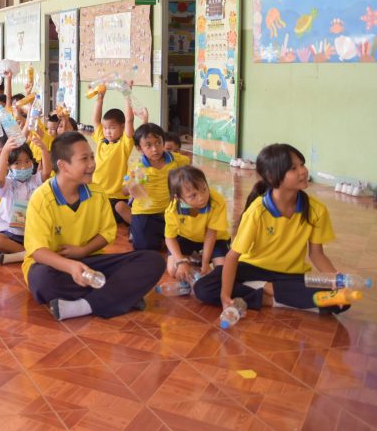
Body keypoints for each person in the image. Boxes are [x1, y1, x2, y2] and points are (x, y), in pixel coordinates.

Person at [193, 144, 351, 314]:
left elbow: (317, 254)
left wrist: (335, 279)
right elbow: (232, 256)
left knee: (342, 300)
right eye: (293, 168)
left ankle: (266, 290)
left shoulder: (316, 210)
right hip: (251, 269)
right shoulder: (257, 211)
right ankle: (273, 296)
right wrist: (225, 296)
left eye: (302, 164)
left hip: (291, 274)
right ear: (272, 176)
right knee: (203, 288)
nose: (303, 171)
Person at [23, 132, 165, 320]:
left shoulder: (97, 193)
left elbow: (107, 233)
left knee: (153, 261)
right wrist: (71, 266)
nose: (92, 164)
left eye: (92, 157)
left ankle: (85, 305)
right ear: (63, 166)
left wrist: (83, 251)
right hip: (55, 265)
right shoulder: (41, 199)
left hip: (91, 262)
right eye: (84, 159)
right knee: (42, 280)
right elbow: (38, 251)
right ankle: (119, 295)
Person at [128, 123, 189, 251]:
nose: (155, 149)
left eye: (158, 143)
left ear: (163, 142)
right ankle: (138, 231)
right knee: (144, 248)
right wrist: (132, 187)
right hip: (145, 213)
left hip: (170, 211)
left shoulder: (177, 160)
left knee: (187, 242)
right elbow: (125, 190)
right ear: (139, 148)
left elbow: (189, 171)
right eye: (148, 145)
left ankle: (163, 238)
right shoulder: (137, 166)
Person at [163, 165, 230, 282]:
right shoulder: (172, 210)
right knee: (173, 270)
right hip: (186, 238)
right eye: (193, 195)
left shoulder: (217, 202)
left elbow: (211, 234)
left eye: (204, 189)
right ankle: (193, 262)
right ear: (179, 198)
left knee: (224, 272)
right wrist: (180, 261)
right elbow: (170, 238)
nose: (202, 198)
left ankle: (197, 261)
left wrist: (205, 263)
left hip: (216, 239)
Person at [0, 138, 48, 265]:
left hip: (32, 232)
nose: (23, 166)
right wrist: (5, 151)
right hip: (12, 232)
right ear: (9, 166)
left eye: (27, 161)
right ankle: (29, 254)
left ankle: (20, 255)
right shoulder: (8, 183)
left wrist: (44, 149)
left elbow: (47, 172)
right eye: (17, 163)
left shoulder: (35, 180)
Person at [91, 92, 136, 226]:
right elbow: (96, 121)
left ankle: (138, 228)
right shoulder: (101, 140)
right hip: (97, 194)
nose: (108, 131)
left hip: (116, 197)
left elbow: (129, 120)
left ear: (122, 127)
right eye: (105, 128)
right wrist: (100, 98)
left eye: (112, 128)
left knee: (119, 209)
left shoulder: (124, 144)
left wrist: (127, 94)